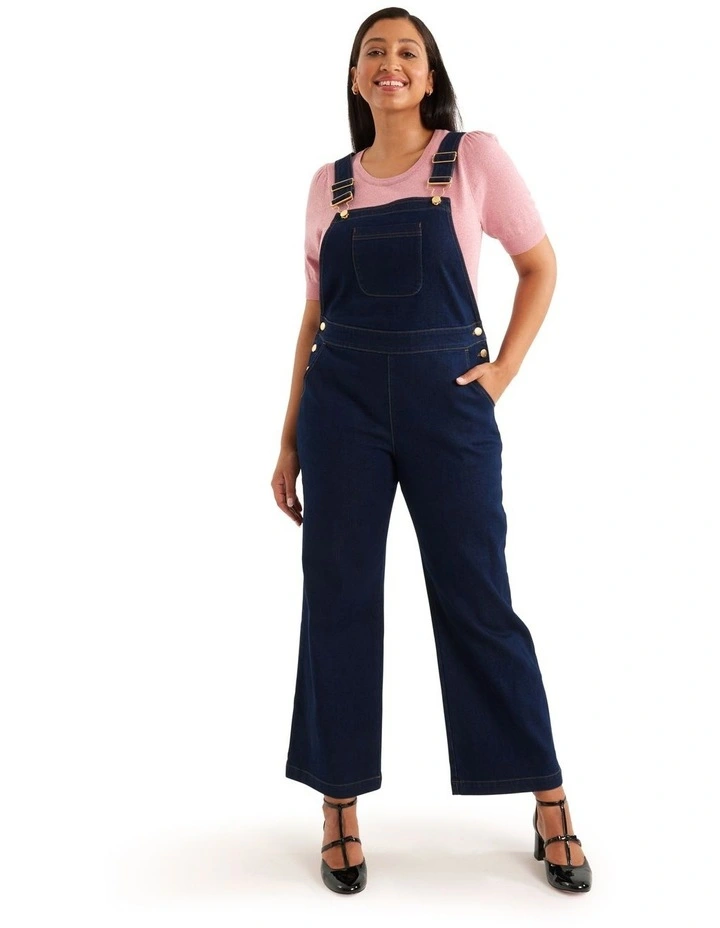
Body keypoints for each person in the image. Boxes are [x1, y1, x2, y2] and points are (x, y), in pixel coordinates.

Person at [271, 6, 592, 897]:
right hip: (340, 410)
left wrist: (502, 373)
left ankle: (549, 796)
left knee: (478, 597)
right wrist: (288, 436)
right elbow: (313, 315)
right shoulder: (329, 184)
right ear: (354, 77)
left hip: (448, 408)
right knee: (337, 598)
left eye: (407, 51)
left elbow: (540, 266)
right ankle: (339, 803)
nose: (391, 63)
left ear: (430, 74)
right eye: (373, 51)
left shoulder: (472, 158)